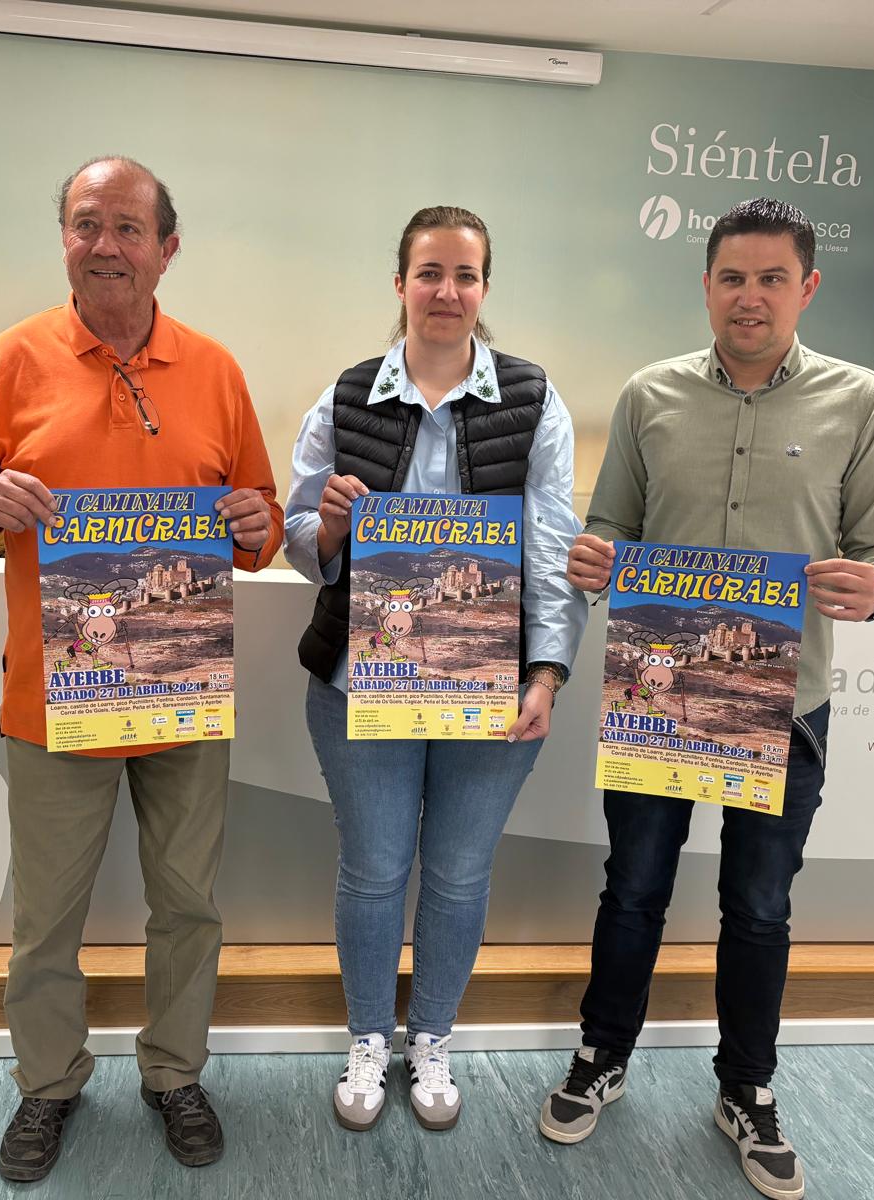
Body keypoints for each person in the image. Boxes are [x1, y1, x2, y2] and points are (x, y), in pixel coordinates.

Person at [0, 156, 283, 1180]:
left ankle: (174, 1073)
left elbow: (260, 526)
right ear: (63, 239)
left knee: (189, 906)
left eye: (126, 227)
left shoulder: (216, 369)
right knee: (46, 922)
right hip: (52, 700)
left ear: (167, 248)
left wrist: (261, 523)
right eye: (85, 224)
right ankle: (48, 1085)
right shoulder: (11, 361)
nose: (104, 244)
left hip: (185, 698)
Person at [537, 197, 874, 1200]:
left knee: (757, 906)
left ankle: (745, 1089)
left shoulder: (861, 399)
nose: (750, 297)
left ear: (807, 287)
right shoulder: (649, 395)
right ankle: (600, 1055)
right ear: (705, 285)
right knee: (635, 889)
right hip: (662, 686)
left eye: (771, 279)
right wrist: (591, 556)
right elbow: (610, 527)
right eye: (732, 278)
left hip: (787, 701)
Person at [286, 206, 587, 1133]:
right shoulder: (344, 397)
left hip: (489, 691)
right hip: (357, 686)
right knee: (374, 871)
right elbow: (299, 542)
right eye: (429, 273)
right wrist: (330, 525)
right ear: (400, 283)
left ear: (484, 288)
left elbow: (548, 547)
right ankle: (369, 1038)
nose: (447, 292)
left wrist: (546, 674)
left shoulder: (534, 401)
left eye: (465, 275)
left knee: (458, 875)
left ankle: (433, 1040)